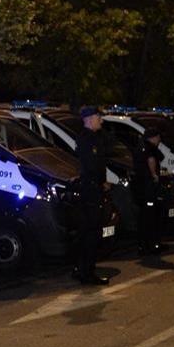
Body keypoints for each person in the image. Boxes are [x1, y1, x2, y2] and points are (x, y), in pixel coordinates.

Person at [74, 106, 111, 285]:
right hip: (91, 191)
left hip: (92, 189)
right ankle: (87, 272)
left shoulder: (92, 138)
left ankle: (82, 268)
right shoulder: (87, 139)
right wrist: (100, 183)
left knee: (87, 232)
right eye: (98, 117)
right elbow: (91, 167)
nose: (101, 120)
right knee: (91, 233)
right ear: (89, 119)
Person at [133, 126, 165, 255]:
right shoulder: (149, 148)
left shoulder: (140, 146)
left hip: (142, 187)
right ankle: (149, 245)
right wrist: (154, 175)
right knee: (150, 217)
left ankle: (145, 244)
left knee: (145, 217)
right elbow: (151, 160)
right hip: (148, 188)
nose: (160, 140)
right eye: (158, 137)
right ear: (153, 137)